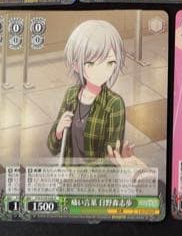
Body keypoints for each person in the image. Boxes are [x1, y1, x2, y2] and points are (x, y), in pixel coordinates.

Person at [46, 20, 136, 166]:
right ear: (76, 65)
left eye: (110, 63)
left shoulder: (114, 104)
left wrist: (76, 174)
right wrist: (58, 130)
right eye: (92, 63)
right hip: (67, 176)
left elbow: (111, 159)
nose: (103, 71)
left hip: (94, 179)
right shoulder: (71, 95)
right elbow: (52, 147)